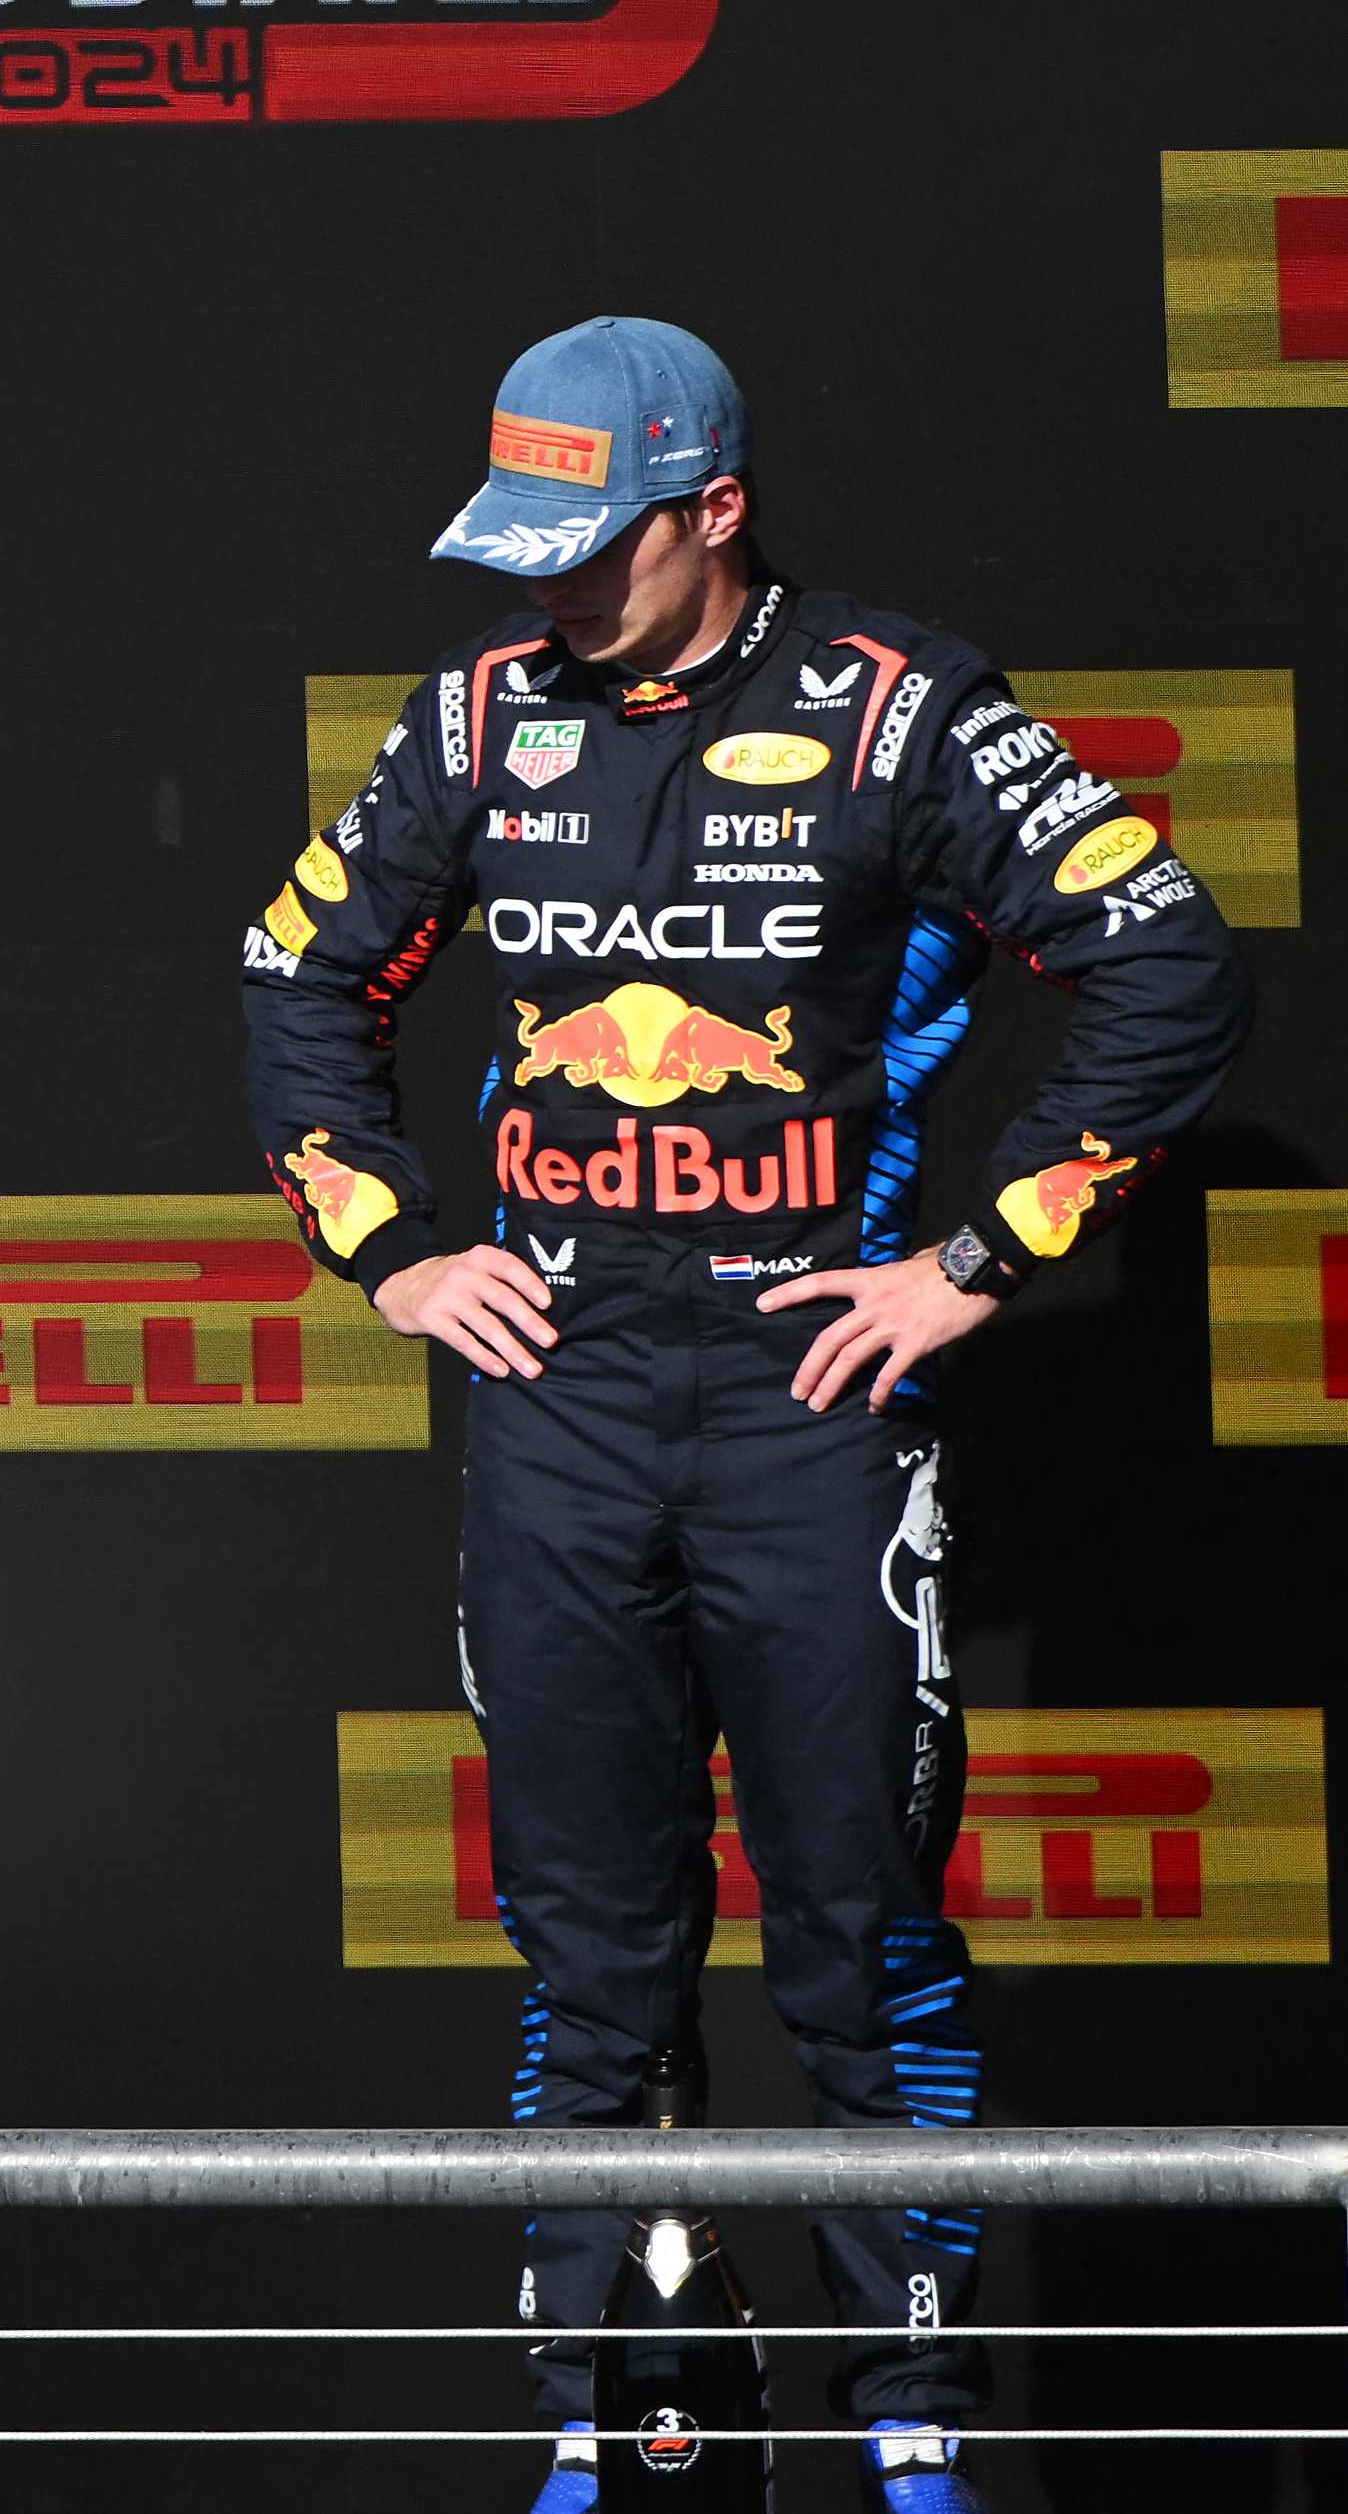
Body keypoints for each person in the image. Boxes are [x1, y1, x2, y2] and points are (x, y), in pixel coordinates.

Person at [239, 317, 1251, 2514]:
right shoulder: (476, 716)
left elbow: (1167, 960)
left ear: (715, 512)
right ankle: (604, 2443)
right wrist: (386, 1241)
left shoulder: (904, 706)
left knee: (855, 1938)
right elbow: (293, 973)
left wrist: (972, 1260)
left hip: (811, 1403)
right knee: (587, 1962)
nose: (552, 595)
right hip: (564, 1403)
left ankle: (912, 2441)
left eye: (592, 549)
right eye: (523, 549)